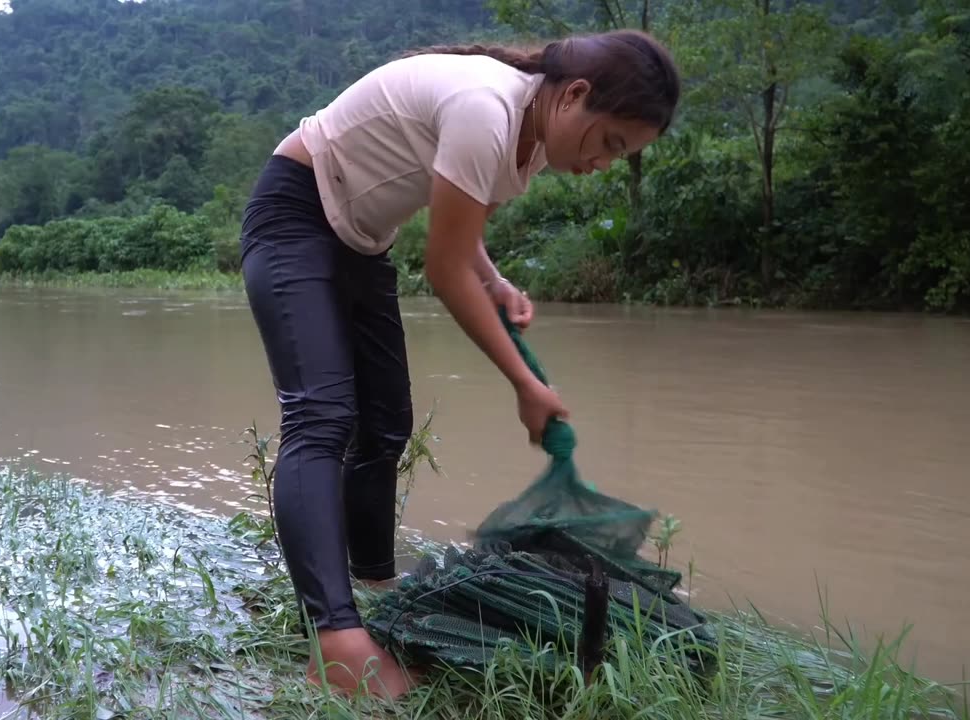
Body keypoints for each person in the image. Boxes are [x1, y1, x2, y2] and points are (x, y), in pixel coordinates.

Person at [237, 29, 681, 698]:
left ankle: (371, 578)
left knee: (387, 425)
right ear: (577, 96)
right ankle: (335, 642)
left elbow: (463, 239)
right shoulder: (487, 110)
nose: (605, 164)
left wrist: (496, 281)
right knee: (322, 416)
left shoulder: (530, 142)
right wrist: (526, 385)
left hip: (359, 240)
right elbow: (443, 271)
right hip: (296, 212)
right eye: (611, 143)